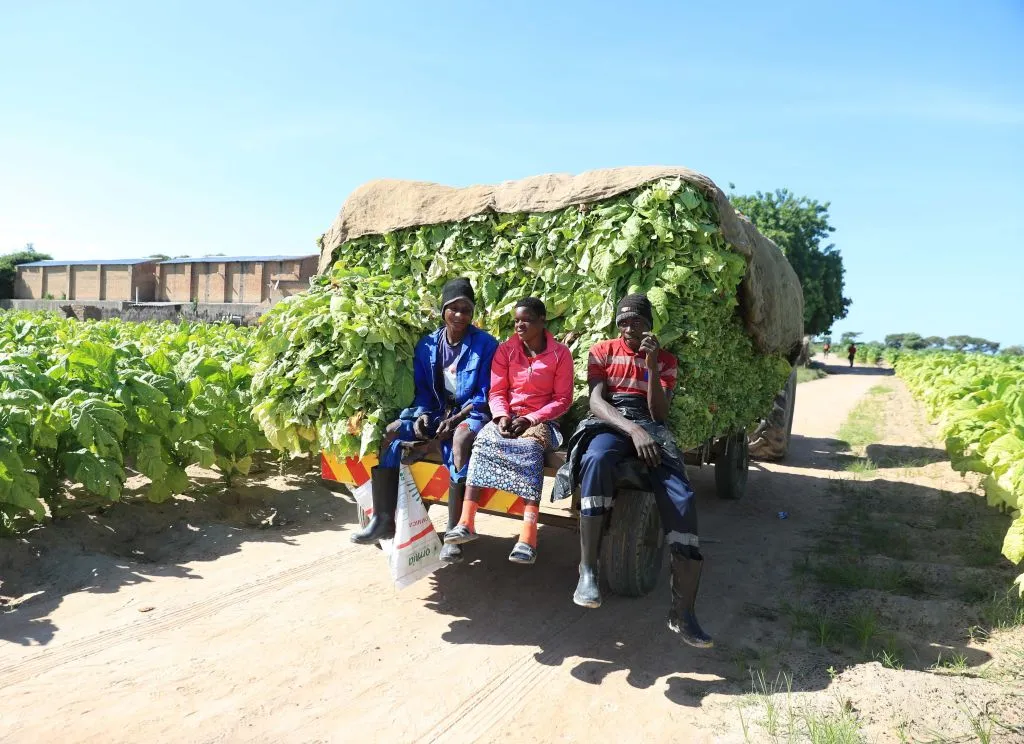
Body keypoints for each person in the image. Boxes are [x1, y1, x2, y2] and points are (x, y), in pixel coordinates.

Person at [553, 293, 713, 648]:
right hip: (610, 420)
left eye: (637, 322)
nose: (629, 328)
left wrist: (652, 366)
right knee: (596, 459)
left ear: (649, 326)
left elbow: (659, 415)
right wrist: (632, 430)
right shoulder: (602, 351)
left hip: (650, 423)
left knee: (682, 497)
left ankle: (683, 612)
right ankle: (588, 571)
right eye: (623, 322)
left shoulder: (666, 360)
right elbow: (596, 401)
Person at [350, 277, 499, 566]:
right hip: (439, 412)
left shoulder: (486, 345)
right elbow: (423, 392)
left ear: (472, 314)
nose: (459, 315)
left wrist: (456, 418)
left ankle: (455, 533)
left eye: (466, 310)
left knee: (460, 440)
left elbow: (485, 393)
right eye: (453, 308)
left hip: (471, 414)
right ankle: (382, 520)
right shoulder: (428, 345)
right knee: (392, 433)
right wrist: (422, 416)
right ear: (443, 310)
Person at [444, 298, 574, 564]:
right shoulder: (506, 351)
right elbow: (497, 391)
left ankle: (528, 538)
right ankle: (466, 522)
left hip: (542, 422)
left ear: (541, 322)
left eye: (525, 320)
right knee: (482, 443)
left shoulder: (560, 354)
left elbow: (562, 399)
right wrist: (501, 416)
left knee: (529, 451)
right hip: (508, 418)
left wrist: (531, 419)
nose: (519, 325)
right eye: (516, 320)